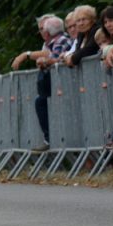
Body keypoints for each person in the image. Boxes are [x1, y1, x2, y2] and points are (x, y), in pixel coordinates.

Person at [31, 16, 72, 151]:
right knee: (41, 102)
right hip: (53, 86)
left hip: (63, 85)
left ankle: (50, 139)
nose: (42, 33)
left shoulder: (60, 41)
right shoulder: (50, 43)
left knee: (41, 102)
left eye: (43, 30)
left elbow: (53, 60)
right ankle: (49, 138)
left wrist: (43, 61)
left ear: (47, 32)